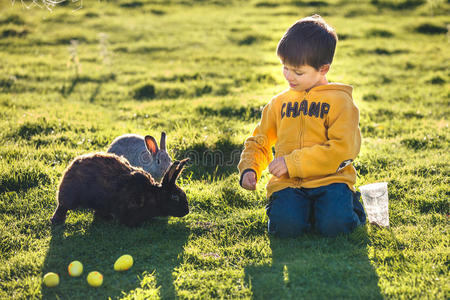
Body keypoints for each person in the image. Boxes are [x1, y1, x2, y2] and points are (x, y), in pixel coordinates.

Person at [238, 15, 366, 238]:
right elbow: (260, 140)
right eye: (285, 68)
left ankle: (349, 208)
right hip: (289, 184)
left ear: (323, 69)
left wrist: (292, 162)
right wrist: (250, 168)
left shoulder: (340, 102)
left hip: (332, 180)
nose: (289, 76)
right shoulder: (279, 103)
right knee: (286, 228)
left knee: (335, 227)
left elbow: (343, 149)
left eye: (298, 72)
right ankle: (306, 214)